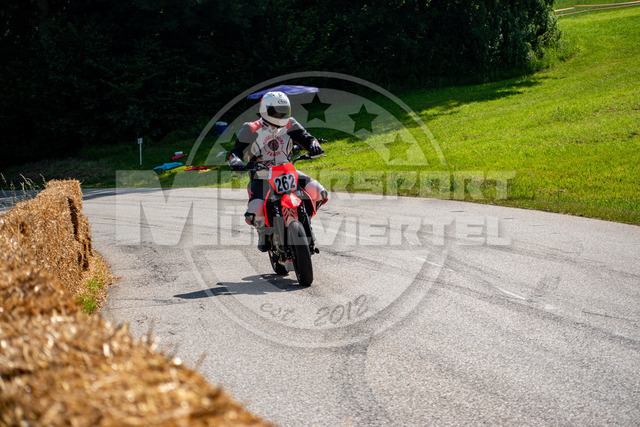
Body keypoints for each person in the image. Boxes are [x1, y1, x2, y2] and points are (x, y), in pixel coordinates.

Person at [228, 91, 328, 252]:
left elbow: (307, 138)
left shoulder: (290, 124)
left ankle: (305, 221)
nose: (281, 115)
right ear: (264, 110)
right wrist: (236, 161)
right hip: (261, 175)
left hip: (287, 170)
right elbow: (235, 152)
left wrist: (314, 146)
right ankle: (263, 232)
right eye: (276, 111)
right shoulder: (251, 128)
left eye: (284, 111)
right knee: (254, 213)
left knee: (320, 193)